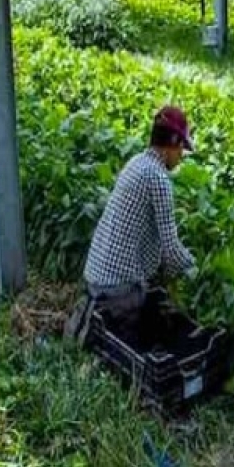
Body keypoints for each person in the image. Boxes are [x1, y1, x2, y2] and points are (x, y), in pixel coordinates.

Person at [65, 106, 197, 345]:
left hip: (95, 278)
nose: (181, 156)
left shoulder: (136, 163)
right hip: (118, 289)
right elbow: (171, 250)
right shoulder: (158, 179)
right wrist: (195, 271)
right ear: (172, 144)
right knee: (152, 328)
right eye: (181, 148)